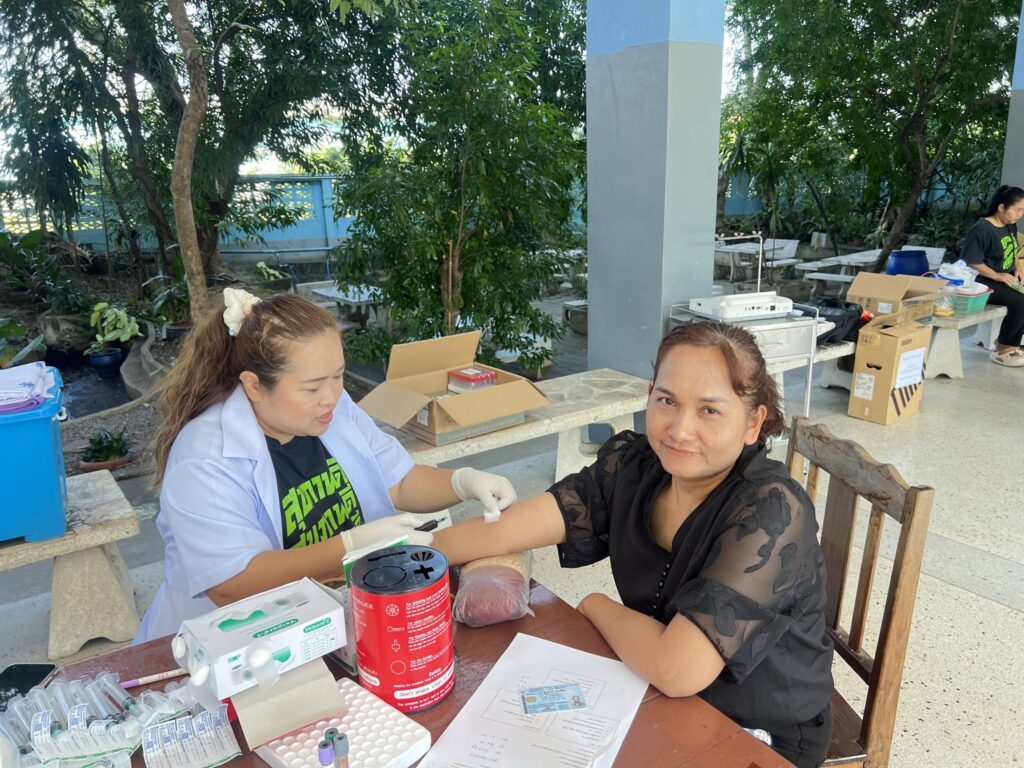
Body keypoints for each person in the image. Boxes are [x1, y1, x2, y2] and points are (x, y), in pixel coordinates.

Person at [434, 322, 834, 768]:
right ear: (649, 395)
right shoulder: (638, 464)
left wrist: (595, 603)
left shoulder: (772, 512)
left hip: (757, 729)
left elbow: (678, 669)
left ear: (753, 422)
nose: (679, 430)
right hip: (657, 693)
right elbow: (511, 528)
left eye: (709, 410)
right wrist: (413, 553)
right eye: (667, 401)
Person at [134, 288, 516, 643]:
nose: (331, 396)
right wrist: (351, 547)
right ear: (253, 386)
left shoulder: (332, 409)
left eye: (338, 376)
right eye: (312, 387)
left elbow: (399, 482)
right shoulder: (205, 457)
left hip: (331, 620)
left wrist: (462, 482)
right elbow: (232, 584)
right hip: (231, 643)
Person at [962, 184, 1024, 367]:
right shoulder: (982, 228)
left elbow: (1014, 250)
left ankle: (1012, 342)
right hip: (983, 281)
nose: (1020, 215)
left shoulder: (1010, 224)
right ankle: (1005, 348)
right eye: (1017, 209)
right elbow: (971, 261)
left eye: (1023, 211)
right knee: (1021, 303)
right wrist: (998, 276)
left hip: (1005, 278)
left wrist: (1018, 269)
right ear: (1002, 207)